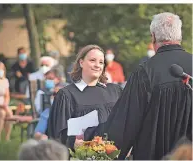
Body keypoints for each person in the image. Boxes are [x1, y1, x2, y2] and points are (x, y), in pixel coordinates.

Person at [105, 12, 192, 160]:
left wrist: (108, 154)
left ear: (153, 36)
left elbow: (126, 122)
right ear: (179, 36)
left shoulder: (145, 72)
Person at [47, 44, 122, 148]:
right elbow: (57, 135)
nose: (97, 65)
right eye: (92, 60)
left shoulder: (114, 91)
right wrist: (73, 143)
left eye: (101, 62)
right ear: (81, 62)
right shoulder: (67, 95)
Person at [33, 68, 68, 140]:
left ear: (58, 79)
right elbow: (39, 109)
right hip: (48, 113)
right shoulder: (42, 92)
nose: (48, 81)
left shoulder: (66, 88)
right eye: (47, 78)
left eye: (51, 78)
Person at [0, 61, 13, 141]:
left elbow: (7, 96)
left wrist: (5, 104)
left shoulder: (5, 80)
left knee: (9, 113)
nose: (0, 71)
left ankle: (7, 137)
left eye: (1, 69)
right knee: (2, 113)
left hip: (3, 104)